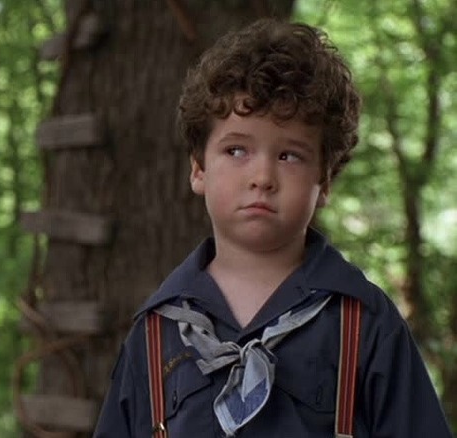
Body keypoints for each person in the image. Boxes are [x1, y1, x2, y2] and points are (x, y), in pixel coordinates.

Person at [93, 18, 453, 437]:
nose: (262, 176)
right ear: (198, 169)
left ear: (325, 181)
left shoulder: (366, 323)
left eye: (289, 156)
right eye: (237, 149)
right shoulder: (156, 333)